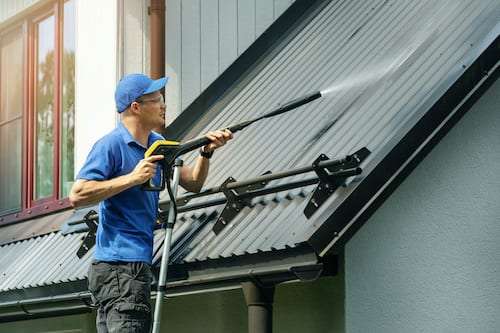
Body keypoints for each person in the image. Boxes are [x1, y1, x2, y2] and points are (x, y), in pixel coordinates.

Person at [69, 73, 232, 332]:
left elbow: (193, 183)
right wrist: (132, 178)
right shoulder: (110, 145)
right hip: (120, 267)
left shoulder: (158, 145)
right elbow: (78, 195)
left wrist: (206, 152)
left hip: (129, 267)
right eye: (157, 100)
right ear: (136, 107)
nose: (164, 105)